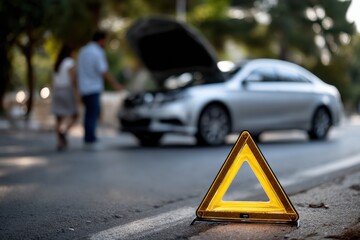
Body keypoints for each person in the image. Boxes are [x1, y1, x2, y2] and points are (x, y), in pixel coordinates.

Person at [77, 30, 123, 149]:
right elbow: (104, 71)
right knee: (93, 113)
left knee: (89, 113)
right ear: (101, 40)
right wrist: (115, 85)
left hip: (83, 87)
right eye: (105, 41)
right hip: (93, 87)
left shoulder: (83, 51)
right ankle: (90, 139)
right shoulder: (97, 52)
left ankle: (88, 137)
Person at [52, 45, 79, 151]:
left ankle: (60, 141)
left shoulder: (57, 64)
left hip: (57, 90)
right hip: (67, 90)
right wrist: (76, 94)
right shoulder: (69, 63)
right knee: (75, 115)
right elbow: (73, 80)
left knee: (58, 118)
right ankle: (64, 133)